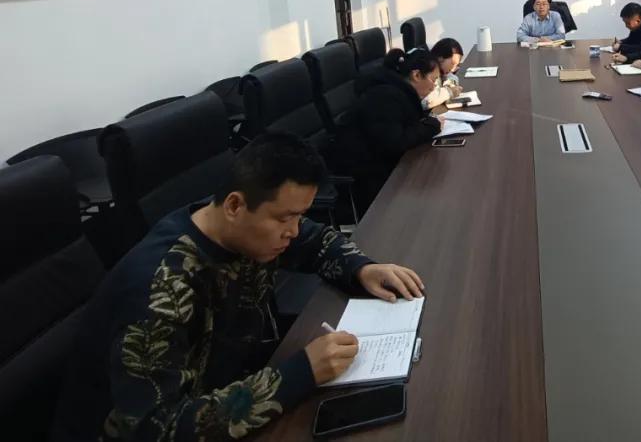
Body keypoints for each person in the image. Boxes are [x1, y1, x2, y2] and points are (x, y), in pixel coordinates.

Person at [53, 133, 424, 442]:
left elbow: (312, 241)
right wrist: (299, 374)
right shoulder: (161, 290)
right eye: (286, 218)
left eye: (299, 215)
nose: (293, 231)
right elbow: (157, 428)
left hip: (226, 383)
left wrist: (362, 268)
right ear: (234, 205)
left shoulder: (240, 226)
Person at [351, 48, 444, 194]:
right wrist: (431, 126)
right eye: (433, 80)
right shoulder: (384, 97)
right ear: (416, 75)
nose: (433, 87)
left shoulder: (399, 90)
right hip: (374, 175)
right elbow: (395, 142)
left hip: (388, 163)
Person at [421, 37, 464, 110]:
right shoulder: (428, 72)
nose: (453, 69)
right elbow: (426, 102)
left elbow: (453, 77)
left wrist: (449, 83)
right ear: (440, 58)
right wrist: (449, 92)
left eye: (457, 65)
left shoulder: (442, 71)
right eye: (452, 63)